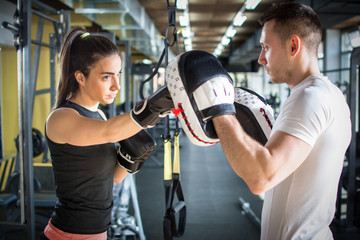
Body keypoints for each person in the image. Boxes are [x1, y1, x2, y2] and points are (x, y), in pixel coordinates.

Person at [211, 3, 351, 240]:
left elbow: (260, 179)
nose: (261, 59)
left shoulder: (310, 98)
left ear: (293, 45)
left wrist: (219, 109)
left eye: (266, 47)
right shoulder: (329, 94)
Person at [40, 26, 173, 240]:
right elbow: (109, 132)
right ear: (80, 78)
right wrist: (154, 106)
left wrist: (130, 161)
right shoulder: (61, 118)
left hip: (98, 231)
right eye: (106, 77)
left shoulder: (100, 115)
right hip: (69, 234)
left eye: (117, 75)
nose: (117, 85)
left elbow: (112, 179)